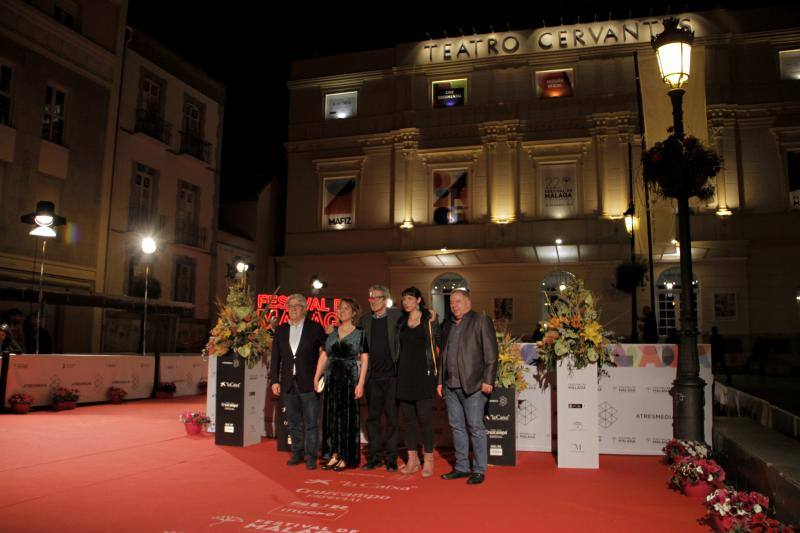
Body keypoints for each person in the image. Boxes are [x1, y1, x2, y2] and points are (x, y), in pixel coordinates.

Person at [437, 288, 498, 485]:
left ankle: (479, 469)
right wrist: (440, 381)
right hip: (450, 386)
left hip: (473, 386)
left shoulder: (480, 321)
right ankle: (462, 467)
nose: (454, 305)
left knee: (475, 428)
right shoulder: (448, 325)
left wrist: (488, 380)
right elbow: (442, 356)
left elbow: (491, 353)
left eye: (458, 301)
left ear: (468, 302)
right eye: (452, 302)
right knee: (457, 428)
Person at [269, 293, 326, 470]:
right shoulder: (280, 330)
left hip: (309, 382)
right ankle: (297, 453)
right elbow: (275, 358)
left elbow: (326, 351)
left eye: (297, 306)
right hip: (287, 383)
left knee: (311, 423)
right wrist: (274, 381)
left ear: (305, 309)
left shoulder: (315, 328)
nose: (293, 309)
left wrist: (321, 375)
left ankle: (311, 456)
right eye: (290, 306)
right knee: (293, 423)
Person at [314, 298, 368, 471]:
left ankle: (346, 455)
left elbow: (365, 359)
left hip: (349, 380)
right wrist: (316, 377)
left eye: (346, 308)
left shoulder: (361, 332)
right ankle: (334, 454)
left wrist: (361, 383)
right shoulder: (331, 332)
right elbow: (324, 356)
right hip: (331, 379)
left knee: (347, 418)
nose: (342, 311)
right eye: (340, 308)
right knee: (331, 417)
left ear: (353, 313)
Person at [395, 287, 441, 478]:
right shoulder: (400, 321)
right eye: (404, 298)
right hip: (404, 375)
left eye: (410, 298)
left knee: (425, 419)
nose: (406, 302)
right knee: (408, 420)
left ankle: (428, 460)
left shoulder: (429, 319)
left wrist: (434, 320)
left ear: (419, 300)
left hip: (424, 374)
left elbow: (437, 343)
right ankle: (412, 460)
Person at [358, 284, 403, 472]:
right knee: (373, 419)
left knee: (392, 418)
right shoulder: (365, 319)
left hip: (392, 376)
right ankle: (375, 457)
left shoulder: (397, 316)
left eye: (376, 297)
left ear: (385, 299)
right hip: (372, 378)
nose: (373, 301)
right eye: (370, 297)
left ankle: (391, 458)